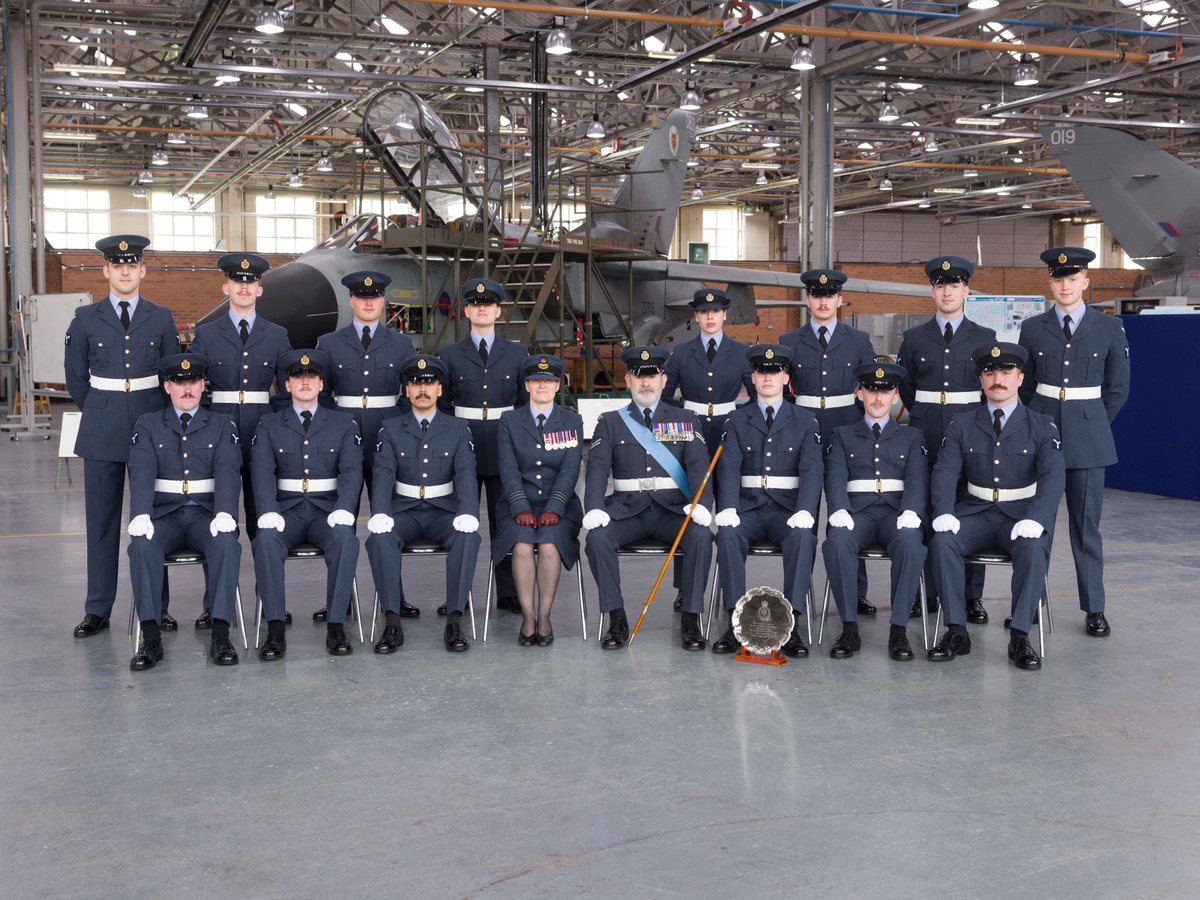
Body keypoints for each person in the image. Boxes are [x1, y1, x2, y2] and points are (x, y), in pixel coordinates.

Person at [65, 234, 181, 638]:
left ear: (143, 271)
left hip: (152, 428)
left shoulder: (162, 317)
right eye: (118, 266)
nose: (125, 271)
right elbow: (76, 379)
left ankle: (157, 607)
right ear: (106, 271)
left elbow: (172, 373)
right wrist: (100, 410)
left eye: (132, 265)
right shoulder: (85, 319)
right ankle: (97, 609)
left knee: (154, 520)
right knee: (101, 523)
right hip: (102, 428)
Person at [927, 343, 1065, 670]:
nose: (997, 379)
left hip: (1019, 515)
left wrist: (1038, 517)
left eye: (1005, 373)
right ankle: (956, 630)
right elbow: (945, 471)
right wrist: (944, 510)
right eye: (990, 373)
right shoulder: (962, 424)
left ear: (1020, 378)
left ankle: (1020, 637)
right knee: (943, 542)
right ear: (981, 381)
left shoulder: (1042, 426)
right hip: (975, 512)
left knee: (1033, 547)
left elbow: (1053, 477)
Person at [1019, 247, 1130, 637]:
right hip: (1042, 436)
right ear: (1050, 284)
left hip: (1089, 438)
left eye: (1072, 279)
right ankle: (1030, 601)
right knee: (1038, 524)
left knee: (1086, 528)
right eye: (1058, 279)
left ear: (1085, 282)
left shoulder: (1109, 328)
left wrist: (1093, 422)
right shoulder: (1032, 329)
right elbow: (1027, 387)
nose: (1065, 286)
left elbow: (1117, 388)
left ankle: (1094, 608)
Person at [583, 346, 714, 651]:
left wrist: (702, 504)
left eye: (652, 376)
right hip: (629, 511)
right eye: (638, 377)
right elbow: (597, 467)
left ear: (664, 380)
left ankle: (691, 618)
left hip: (672, 510)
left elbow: (699, 466)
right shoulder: (610, 421)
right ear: (627, 380)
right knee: (597, 539)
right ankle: (616, 618)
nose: (646, 383)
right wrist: (594, 506)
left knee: (701, 536)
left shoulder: (685, 418)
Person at [187, 252, 291, 629]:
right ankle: (214, 605)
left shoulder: (277, 335)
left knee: (266, 521)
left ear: (260, 289)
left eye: (251, 283)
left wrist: (278, 430)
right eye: (237, 282)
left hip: (264, 434)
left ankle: (271, 602)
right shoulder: (207, 333)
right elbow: (196, 388)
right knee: (218, 520)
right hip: (219, 437)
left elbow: (285, 390)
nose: (244, 288)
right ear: (225, 287)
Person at [312, 270, 417, 622]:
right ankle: (338, 600)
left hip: (388, 443)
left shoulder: (402, 344)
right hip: (342, 446)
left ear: (383, 302)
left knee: (389, 520)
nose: (368, 302)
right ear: (352, 301)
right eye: (361, 296)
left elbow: (411, 395)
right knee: (339, 522)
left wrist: (398, 429)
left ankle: (395, 597)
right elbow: (322, 396)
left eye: (374, 297)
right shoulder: (328, 343)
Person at [126, 355, 242, 670]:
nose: (187, 389)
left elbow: (229, 470)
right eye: (179, 382)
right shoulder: (148, 424)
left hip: (206, 514)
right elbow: (141, 470)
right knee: (142, 547)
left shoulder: (222, 424)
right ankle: (150, 637)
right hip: (165, 516)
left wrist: (226, 512)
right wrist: (140, 514)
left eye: (193, 382)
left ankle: (220, 632)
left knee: (227, 544)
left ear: (203, 386)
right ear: (167, 387)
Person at [896, 256, 996, 623]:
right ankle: (929, 593)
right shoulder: (914, 337)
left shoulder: (985, 338)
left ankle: (972, 597)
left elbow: (990, 390)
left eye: (954, 286)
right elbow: (906, 387)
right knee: (925, 513)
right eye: (941, 286)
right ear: (932, 292)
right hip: (925, 435)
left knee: (970, 512)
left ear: (966, 291)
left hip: (972, 436)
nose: (948, 292)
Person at [250, 350, 363, 659]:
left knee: (345, 541)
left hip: (326, 510)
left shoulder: (343, 423)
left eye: (311, 377)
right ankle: (274, 628)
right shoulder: (268, 424)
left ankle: (336, 625)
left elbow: (352, 471)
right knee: (266, 542)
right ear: (286, 386)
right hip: (285, 511)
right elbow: (262, 473)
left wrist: (345, 508)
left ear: (321, 384)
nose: (304, 382)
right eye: (298, 378)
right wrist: (268, 510)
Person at [366, 355, 482, 653]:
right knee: (380, 539)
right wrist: (380, 512)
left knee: (467, 537)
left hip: (443, 509)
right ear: (407, 390)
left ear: (440, 390)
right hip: (404, 509)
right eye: (416, 383)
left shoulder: (458, 428)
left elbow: (466, 474)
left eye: (429, 383)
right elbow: (382, 475)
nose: (422, 389)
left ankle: (454, 620)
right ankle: (392, 621)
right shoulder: (390, 428)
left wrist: (467, 511)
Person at [712, 344, 821, 658]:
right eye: (762, 371)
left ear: (786, 377)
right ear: (754, 377)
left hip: (786, 511)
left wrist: (804, 509)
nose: (768, 377)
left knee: (803, 538)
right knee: (728, 535)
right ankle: (735, 623)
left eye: (775, 371)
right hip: (748, 507)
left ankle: (791, 625)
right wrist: (728, 506)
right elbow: (729, 466)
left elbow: (812, 470)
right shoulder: (736, 420)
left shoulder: (806, 420)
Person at [780, 268, 878, 617]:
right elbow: (780, 392)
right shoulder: (788, 341)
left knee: (851, 509)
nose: (823, 301)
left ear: (840, 300)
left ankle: (856, 592)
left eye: (829, 296)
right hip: (801, 431)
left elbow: (872, 389)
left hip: (846, 430)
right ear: (808, 300)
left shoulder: (859, 340)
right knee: (800, 512)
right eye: (816, 296)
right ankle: (796, 594)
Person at [821, 362, 928, 661]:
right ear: (859, 394)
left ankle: (899, 630)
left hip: (897, 512)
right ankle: (849, 627)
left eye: (886, 392)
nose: (878, 398)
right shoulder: (842, 435)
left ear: (896, 397)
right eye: (871, 391)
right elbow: (835, 476)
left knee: (910, 543)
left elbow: (917, 479)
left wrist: (912, 511)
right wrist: (838, 508)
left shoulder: (912, 437)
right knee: (838, 542)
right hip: (858, 513)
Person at [438, 278, 526, 615]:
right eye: (475, 305)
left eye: (488, 304)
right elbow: (443, 405)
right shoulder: (449, 355)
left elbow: (523, 404)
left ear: (498, 311)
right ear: (466, 312)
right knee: (459, 522)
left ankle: (508, 593)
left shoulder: (518, 353)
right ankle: (457, 595)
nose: (481, 308)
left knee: (505, 522)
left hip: (504, 448)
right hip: (464, 449)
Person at [662, 287, 753, 611]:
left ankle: (730, 590)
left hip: (729, 434)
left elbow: (757, 396)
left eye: (716, 312)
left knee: (728, 507)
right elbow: (664, 396)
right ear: (696, 316)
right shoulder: (682, 354)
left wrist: (740, 422)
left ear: (725, 315)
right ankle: (684, 588)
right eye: (704, 312)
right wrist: (681, 423)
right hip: (692, 436)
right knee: (689, 512)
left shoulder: (741, 352)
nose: (710, 317)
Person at [495, 355, 584, 645]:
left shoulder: (571, 420)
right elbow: (507, 468)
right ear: (527, 385)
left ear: (557, 385)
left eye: (548, 381)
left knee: (548, 545)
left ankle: (544, 617)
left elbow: (571, 469)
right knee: (521, 546)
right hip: (517, 504)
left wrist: (555, 507)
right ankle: (528, 616)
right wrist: (520, 506)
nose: (542, 385)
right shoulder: (509, 420)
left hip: (559, 505)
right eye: (536, 380)